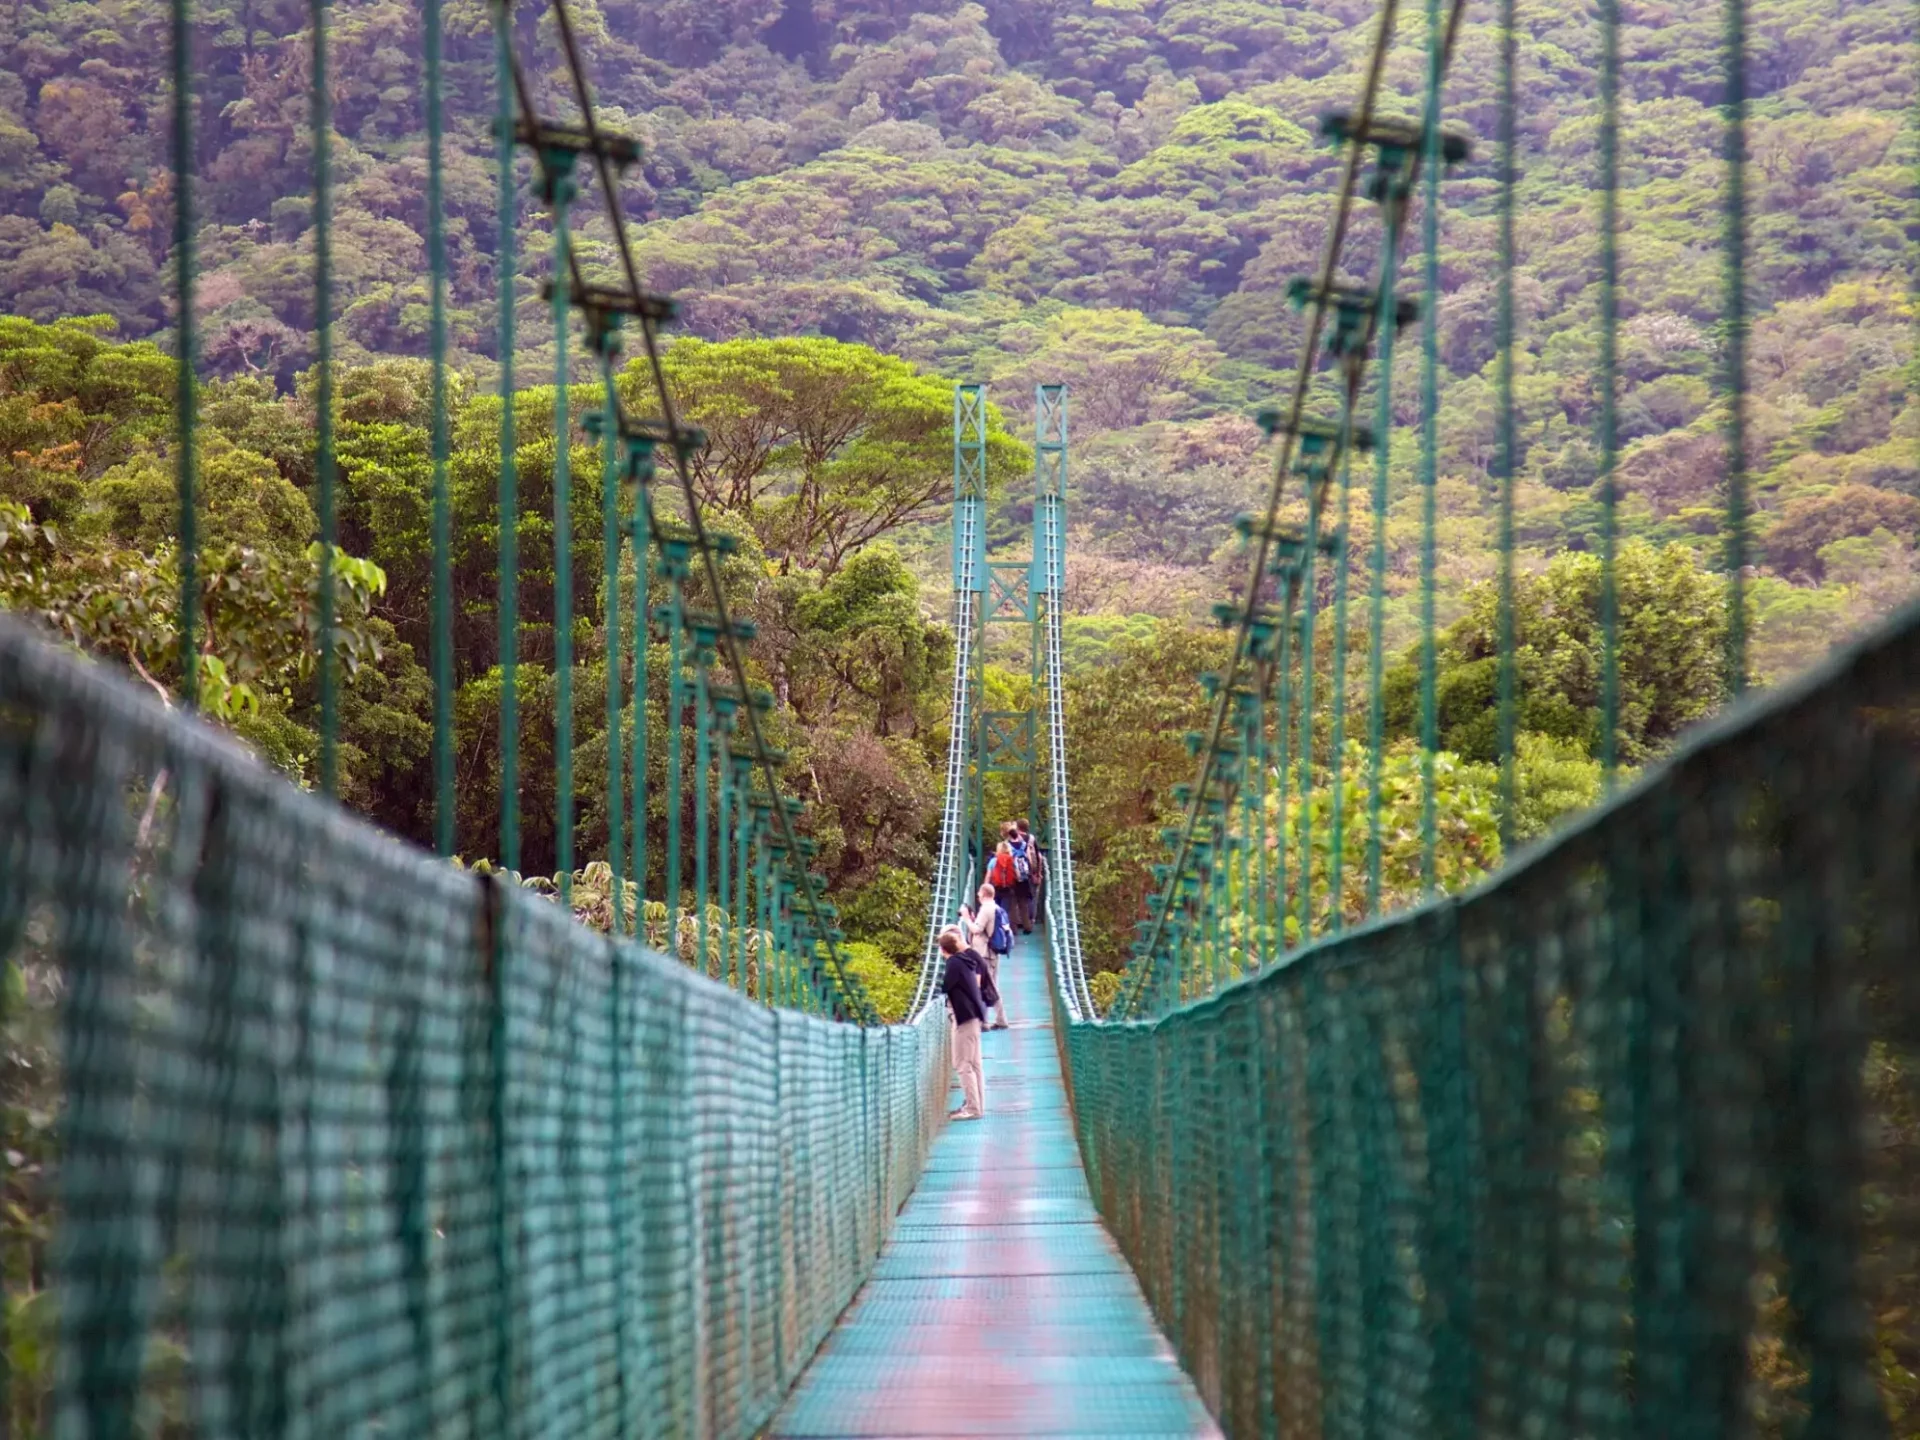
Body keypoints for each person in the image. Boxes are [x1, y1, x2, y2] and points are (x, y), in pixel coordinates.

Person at [938, 927, 987, 1119]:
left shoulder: (953, 964)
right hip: (974, 1016)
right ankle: (977, 1105)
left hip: (963, 1018)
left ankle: (973, 1108)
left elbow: (945, 987)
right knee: (974, 1064)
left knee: (961, 1063)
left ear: (943, 950)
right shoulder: (966, 961)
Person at [963, 881, 1013, 1030]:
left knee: (983, 986)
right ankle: (997, 1020)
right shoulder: (996, 907)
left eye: (979, 893)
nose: (977, 895)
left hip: (983, 953)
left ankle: (986, 1022)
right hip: (992, 953)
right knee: (990, 986)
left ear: (984, 894)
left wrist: (966, 919)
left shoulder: (986, 909)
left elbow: (977, 929)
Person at [1007, 820, 1038, 934]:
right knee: (1023, 903)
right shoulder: (1024, 845)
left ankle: (1013, 929)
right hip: (1024, 877)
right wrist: (1030, 872)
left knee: (1012, 903)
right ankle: (1027, 926)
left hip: (1013, 876)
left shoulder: (1008, 846)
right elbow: (1029, 859)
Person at [1017, 819, 1046, 928]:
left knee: (1017, 896)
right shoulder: (1031, 839)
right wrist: (1038, 872)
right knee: (1031, 896)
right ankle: (1030, 919)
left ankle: (1018, 920)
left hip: (1017, 872)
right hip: (1030, 872)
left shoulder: (1013, 838)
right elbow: (1038, 856)